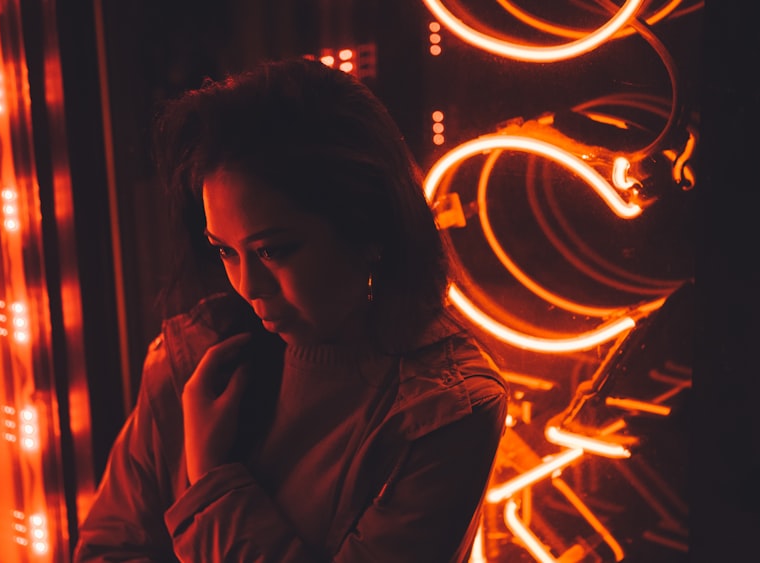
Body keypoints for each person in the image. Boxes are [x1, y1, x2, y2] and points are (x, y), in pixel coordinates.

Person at [74, 57, 508, 563]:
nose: (247, 287)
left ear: (368, 230)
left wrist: (213, 481)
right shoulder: (196, 356)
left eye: (272, 250)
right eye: (224, 251)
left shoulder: (443, 413)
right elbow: (104, 551)